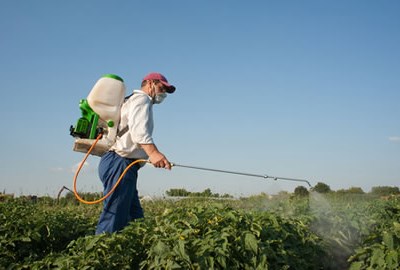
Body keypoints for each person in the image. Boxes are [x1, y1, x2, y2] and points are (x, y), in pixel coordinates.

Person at [95, 72, 176, 234]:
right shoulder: (142, 99)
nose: (163, 93)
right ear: (150, 83)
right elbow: (139, 131)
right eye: (161, 87)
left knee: (136, 219)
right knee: (114, 218)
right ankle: (99, 252)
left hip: (122, 164)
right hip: (119, 163)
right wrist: (154, 153)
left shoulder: (131, 100)